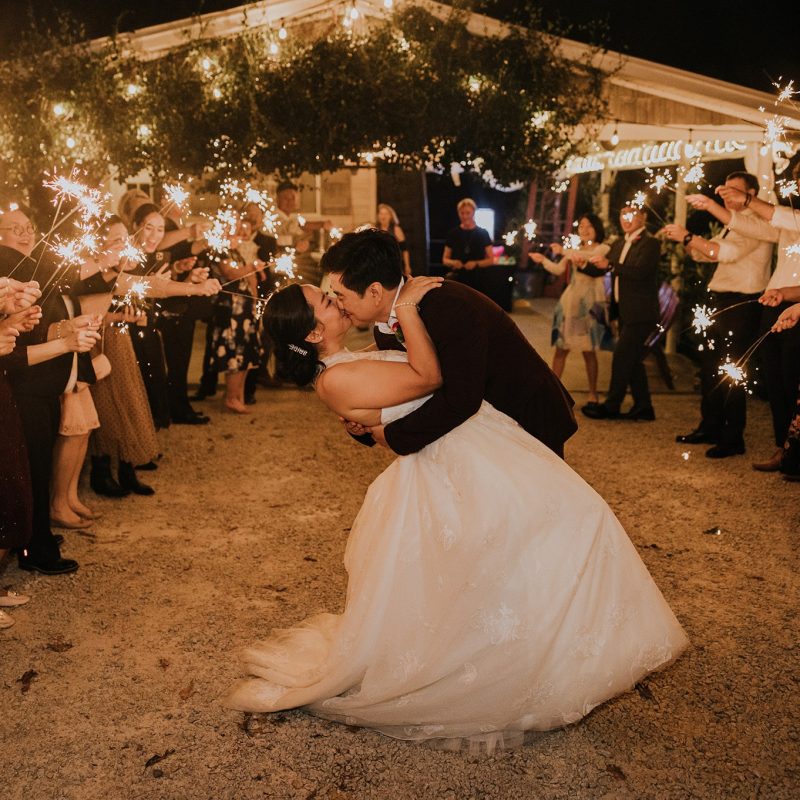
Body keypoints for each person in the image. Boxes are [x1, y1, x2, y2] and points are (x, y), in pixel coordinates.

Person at [225, 275, 689, 750]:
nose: (335, 300)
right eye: (325, 301)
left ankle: (549, 649)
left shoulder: (348, 361)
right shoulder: (339, 376)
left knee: (537, 541)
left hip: (469, 448)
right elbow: (428, 377)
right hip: (453, 462)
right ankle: (524, 661)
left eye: (332, 293)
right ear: (311, 334)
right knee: (544, 535)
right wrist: (407, 306)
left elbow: (392, 384)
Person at [324, 228, 577, 457]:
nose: (339, 305)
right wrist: (362, 425)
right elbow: (404, 390)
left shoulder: (448, 307)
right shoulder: (386, 324)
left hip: (524, 417)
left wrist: (393, 436)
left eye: (340, 295)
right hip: (474, 433)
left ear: (375, 292)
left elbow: (460, 398)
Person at [0, 207, 101, 575]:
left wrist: (70, 327)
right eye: (16, 229)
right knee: (30, 469)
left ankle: (36, 533)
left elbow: (37, 330)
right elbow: (15, 354)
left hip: (44, 386)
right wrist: (64, 341)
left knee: (36, 467)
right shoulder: (10, 273)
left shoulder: (35, 271)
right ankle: (35, 546)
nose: (26, 234)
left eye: (30, 226)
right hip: (23, 390)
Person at [687, 164, 800, 471]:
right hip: (772, 298)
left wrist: (736, 203)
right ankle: (783, 448)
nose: (797, 184)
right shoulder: (783, 218)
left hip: (786, 302)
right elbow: (753, 225)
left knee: (790, 380)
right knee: (775, 379)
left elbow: (765, 223)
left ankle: (789, 452)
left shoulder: (786, 216)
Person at [664, 172, 773, 458]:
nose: (728, 196)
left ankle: (733, 438)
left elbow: (723, 253)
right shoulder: (730, 224)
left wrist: (689, 237)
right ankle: (710, 426)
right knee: (711, 367)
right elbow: (705, 253)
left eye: (735, 191)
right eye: (726, 190)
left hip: (743, 304)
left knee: (733, 371)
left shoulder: (756, 223)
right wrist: (686, 240)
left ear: (752, 193)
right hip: (722, 300)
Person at [581, 205, 661, 421]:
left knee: (622, 356)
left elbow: (640, 272)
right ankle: (644, 407)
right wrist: (582, 265)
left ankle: (612, 405)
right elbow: (604, 268)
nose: (626, 219)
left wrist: (611, 264)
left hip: (641, 311)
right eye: (622, 215)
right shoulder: (619, 242)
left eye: (631, 215)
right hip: (625, 311)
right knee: (633, 360)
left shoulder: (650, 243)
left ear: (643, 217)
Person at [529, 213, 611, 404]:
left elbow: (591, 259)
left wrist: (564, 251)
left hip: (590, 303)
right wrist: (543, 260)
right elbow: (558, 270)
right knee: (562, 348)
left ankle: (593, 392)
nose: (585, 229)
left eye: (589, 225)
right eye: (581, 226)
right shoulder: (574, 250)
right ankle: (553, 392)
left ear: (597, 228)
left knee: (589, 350)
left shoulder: (602, 248)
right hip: (571, 302)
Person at [207, 220, 262, 413]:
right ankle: (231, 397)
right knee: (235, 355)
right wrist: (252, 266)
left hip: (245, 311)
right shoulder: (220, 250)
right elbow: (230, 274)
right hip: (231, 312)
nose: (239, 232)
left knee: (245, 355)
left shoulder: (237, 252)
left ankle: (237, 395)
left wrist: (256, 302)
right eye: (235, 229)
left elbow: (251, 278)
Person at [441, 198, 494, 290]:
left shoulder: (483, 233)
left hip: (478, 279)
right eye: (462, 213)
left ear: (473, 212)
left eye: (468, 213)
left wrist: (476, 263)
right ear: (458, 213)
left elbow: (491, 260)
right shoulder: (452, 233)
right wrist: (454, 262)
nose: (465, 216)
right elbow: (445, 259)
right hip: (458, 279)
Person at [376, 203, 412, 277]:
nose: (383, 216)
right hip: (378, 264)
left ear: (391, 216)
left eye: (386, 214)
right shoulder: (375, 229)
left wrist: (407, 266)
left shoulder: (396, 229)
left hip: (394, 264)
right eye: (381, 213)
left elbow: (404, 249)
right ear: (378, 216)